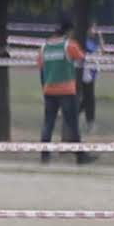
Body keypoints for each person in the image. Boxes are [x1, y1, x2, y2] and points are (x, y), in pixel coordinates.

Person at [38, 18, 98, 163]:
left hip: (49, 90)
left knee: (48, 123)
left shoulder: (44, 47)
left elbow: (41, 69)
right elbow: (82, 59)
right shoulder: (69, 45)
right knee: (72, 124)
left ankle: (44, 155)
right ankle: (80, 156)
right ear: (69, 31)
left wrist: (44, 88)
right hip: (66, 91)